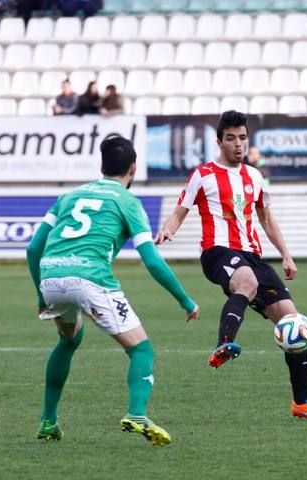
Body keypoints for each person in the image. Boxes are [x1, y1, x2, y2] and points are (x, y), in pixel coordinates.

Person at [155, 110, 307, 424]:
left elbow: (266, 219)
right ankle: (224, 344)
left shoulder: (254, 176)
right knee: (246, 282)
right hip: (217, 252)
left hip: (253, 255)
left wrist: (286, 254)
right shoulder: (203, 175)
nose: (239, 144)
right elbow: (179, 212)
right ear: (219, 141)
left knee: (294, 322)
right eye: (232, 138)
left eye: (243, 138)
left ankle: (302, 403)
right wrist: (169, 229)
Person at [26, 135, 199, 445]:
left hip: (51, 276)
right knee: (141, 349)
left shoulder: (69, 196)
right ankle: (136, 413)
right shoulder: (128, 201)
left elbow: (34, 247)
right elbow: (152, 261)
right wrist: (185, 301)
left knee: (69, 340)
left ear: (101, 166)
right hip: (90, 279)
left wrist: (41, 294)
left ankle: (48, 422)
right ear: (132, 169)